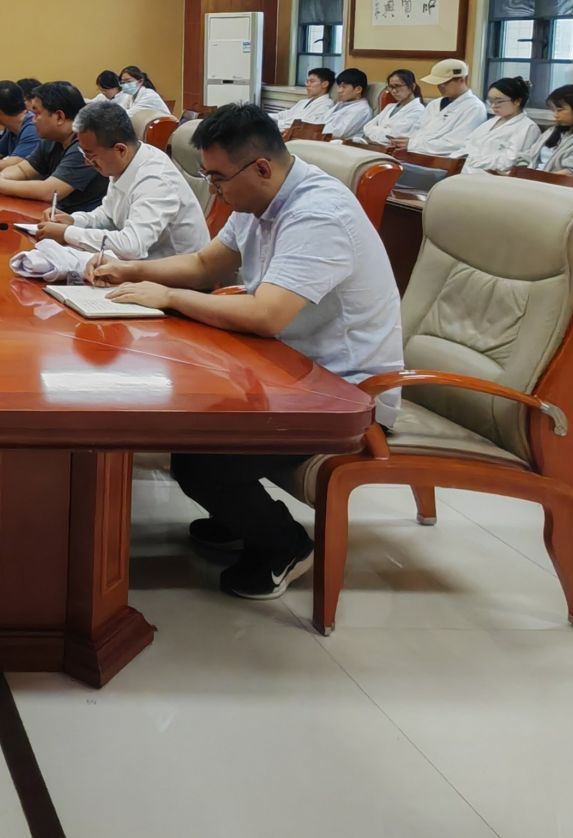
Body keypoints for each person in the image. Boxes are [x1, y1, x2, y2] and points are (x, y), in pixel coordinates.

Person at [90, 103, 403, 600]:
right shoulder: (260, 199)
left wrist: (168, 297)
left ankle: (285, 545)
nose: (213, 191)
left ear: (260, 167)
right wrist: (130, 271)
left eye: (217, 179)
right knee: (190, 419)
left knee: (203, 456)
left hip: (343, 394)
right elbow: (204, 264)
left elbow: (265, 315)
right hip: (287, 369)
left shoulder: (318, 214)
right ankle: (238, 517)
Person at [33, 100, 207, 263]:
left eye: (90, 155)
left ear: (120, 150)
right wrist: (74, 221)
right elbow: (110, 216)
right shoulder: (125, 160)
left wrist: (67, 233)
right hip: (142, 266)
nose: (87, 162)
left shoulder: (155, 179)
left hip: (175, 275)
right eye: (83, 153)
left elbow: (131, 246)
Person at [0, 80, 107, 212]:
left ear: (59, 117)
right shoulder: (52, 139)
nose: (33, 120)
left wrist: (0, 184)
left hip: (79, 220)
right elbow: (23, 170)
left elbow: (50, 191)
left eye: (37, 114)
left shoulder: (85, 144)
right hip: (53, 213)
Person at [455, 77, 544, 175]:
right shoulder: (491, 122)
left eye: (499, 101)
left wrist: (472, 161)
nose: (493, 106)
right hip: (467, 168)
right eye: (490, 101)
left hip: (489, 176)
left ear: (517, 101)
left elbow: (508, 162)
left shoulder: (528, 128)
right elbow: (468, 144)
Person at [400, 59, 488, 155]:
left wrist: (414, 144)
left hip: (443, 159)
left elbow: (456, 144)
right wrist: (407, 141)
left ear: (461, 80)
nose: (440, 87)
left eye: (445, 83)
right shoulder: (434, 104)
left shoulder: (474, 107)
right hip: (415, 153)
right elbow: (417, 129)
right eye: (438, 84)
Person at [357, 69, 424, 147]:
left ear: (412, 86)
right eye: (391, 87)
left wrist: (376, 130)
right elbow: (367, 127)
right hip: (376, 147)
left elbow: (394, 136)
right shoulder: (390, 107)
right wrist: (384, 131)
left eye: (398, 86)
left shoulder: (418, 110)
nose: (394, 91)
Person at [276, 67, 337, 133]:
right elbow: (286, 114)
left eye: (312, 81)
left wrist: (274, 123)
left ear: (325, 84)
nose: (307, 85)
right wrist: (268, 117)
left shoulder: (326, 105)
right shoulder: (303, 102)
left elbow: (302, 125)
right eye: (307, 82)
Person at [320, 69, 373, 141]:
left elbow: (339, 133)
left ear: (358, 89)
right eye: (339, 86)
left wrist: (315, 130)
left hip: (342, 145)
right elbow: (322, 121)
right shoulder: (341, 104)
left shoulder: (362, 109)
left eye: (344, 87)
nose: (339, 91)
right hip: (323, 140)